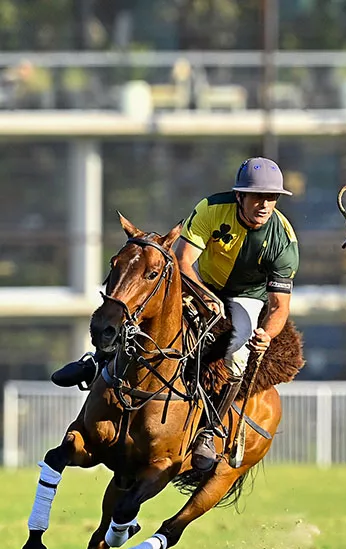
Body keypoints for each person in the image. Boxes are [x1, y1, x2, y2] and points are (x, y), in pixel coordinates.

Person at [52, 157, 300, 471]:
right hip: (199, 282)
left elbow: (279, 306)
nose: (265, 205)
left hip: (245, 297)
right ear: (240, 196)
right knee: (138, 316)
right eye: (258, 197)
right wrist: (207, 297)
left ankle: (207, 432)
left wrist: (267, 333)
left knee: (236, 355)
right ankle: (94, 362)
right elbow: (184, 261)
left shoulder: (284, 240)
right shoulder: (211, 209)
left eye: (272, 198)